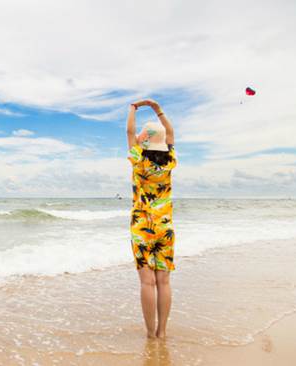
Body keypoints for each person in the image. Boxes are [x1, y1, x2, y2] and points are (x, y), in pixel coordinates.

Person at [126, 98, 177, 339]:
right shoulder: (169, 161)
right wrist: (157, 109)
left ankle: (149, 333)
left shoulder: (138, 160)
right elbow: (171, 133)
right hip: (164, 225)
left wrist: (133, 108)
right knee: (163, 282)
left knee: (147, 283)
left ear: (143, 141)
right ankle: (163, 331)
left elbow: (129, 131)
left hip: (141, 227)